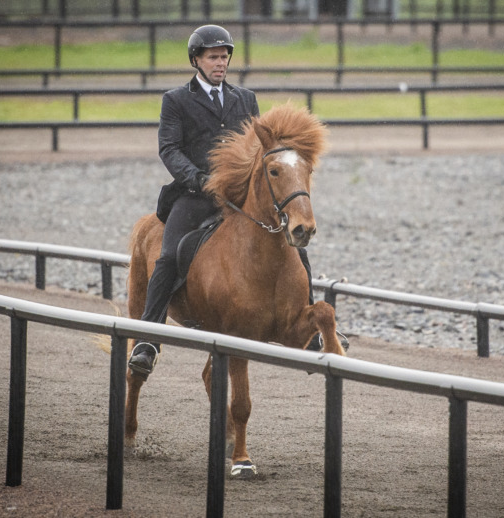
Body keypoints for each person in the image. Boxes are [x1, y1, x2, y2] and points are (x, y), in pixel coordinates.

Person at [128, 25, 345, 379]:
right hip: (195, 195)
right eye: (213, 57)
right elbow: (169, 148)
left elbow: (258, 148)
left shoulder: (245, 99)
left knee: (296, 249)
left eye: (224, 57)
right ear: (196, 60)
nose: (220, 63)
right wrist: (197, 179)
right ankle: (147, 340)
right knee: (167, 256)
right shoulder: (176, 100)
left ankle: (310, 327)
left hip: (238, 198)